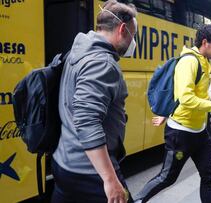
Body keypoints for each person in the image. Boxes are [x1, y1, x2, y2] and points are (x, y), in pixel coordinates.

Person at [134, 25, 211, 203]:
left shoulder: (202, 60)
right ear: (205, 42)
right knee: (167, 177)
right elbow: (186, 98)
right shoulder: (190, 61)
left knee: (209, 175)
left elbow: (188, 93)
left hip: (200, 134)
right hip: (181, 135)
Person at [51, 1, 137, 202]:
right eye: (133, 35)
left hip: (64, 160)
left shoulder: (78, 51)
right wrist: (109, 179)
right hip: (89, 171)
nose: (133, 42)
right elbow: (87, 119)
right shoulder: (102, 62)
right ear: (122, 29)